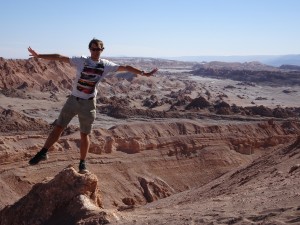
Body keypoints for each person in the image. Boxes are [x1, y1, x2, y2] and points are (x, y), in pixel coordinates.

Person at [28, 38, 158, 173]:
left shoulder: (106, 65)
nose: (96, 52)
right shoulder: (82, 60)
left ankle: (82, 163)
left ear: (102, 50)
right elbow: (60, 57)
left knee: (84, 134)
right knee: (59, 127)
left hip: (88, 103)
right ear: (90, 49)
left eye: (99, 49)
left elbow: (126, 67)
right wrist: (39, 56)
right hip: (73, 100)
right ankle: (43, 152)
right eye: (94, 49)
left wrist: (145, 73)